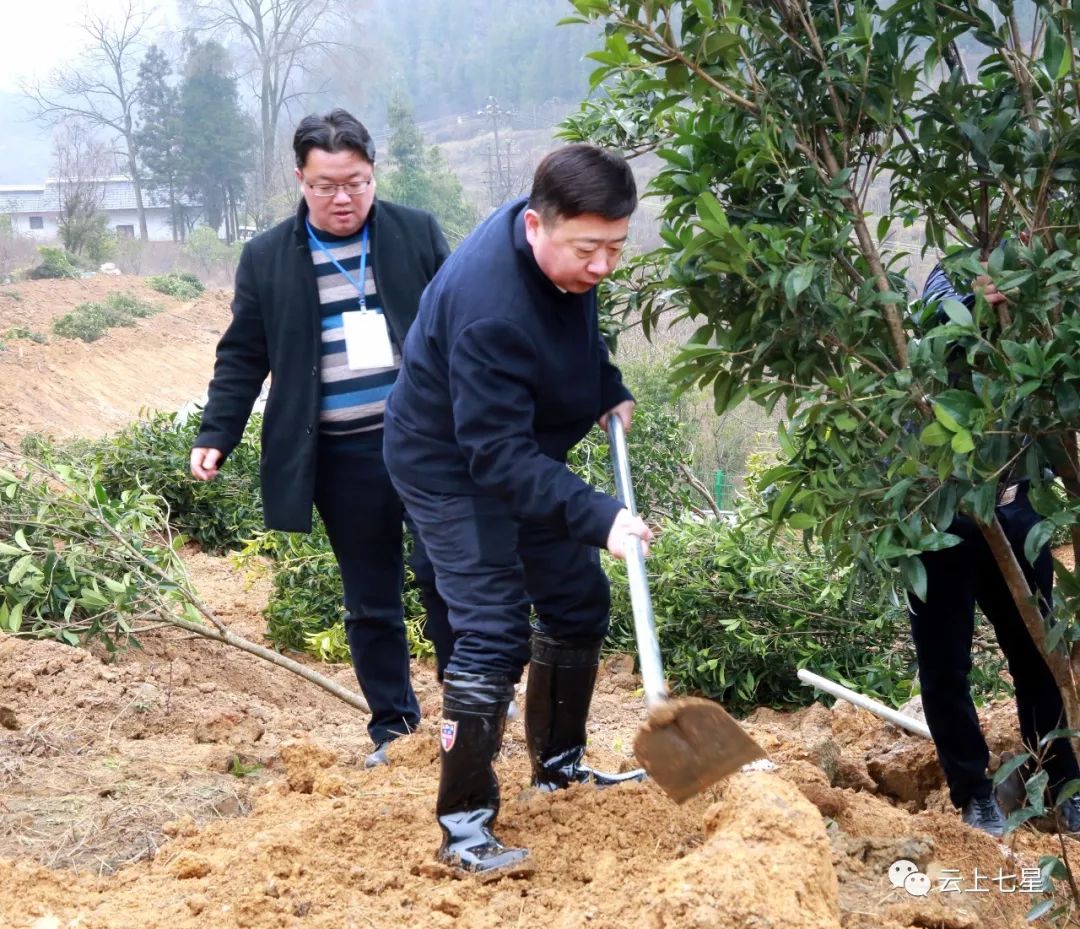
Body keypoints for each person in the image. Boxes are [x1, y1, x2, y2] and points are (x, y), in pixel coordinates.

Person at [383, 144, 654, 874]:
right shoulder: (489, 309)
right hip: (450, 462)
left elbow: (572, 328)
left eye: (615, 248)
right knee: (494, 629)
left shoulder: (562, 246)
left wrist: (605, 382)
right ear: (535, 225)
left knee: (575, 600)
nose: (601, 266)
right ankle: (465, 826)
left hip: (515, 442)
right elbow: (493, 456)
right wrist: (600, 517)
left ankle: (558, 769)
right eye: (588, 249)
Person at [190, 108, 454, 768]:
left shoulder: (415, 234)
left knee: (446, 573)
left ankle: (473, 703)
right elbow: (243, 354)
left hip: (426, 444)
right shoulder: (268, 257)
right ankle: (394, 725)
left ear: (373, 173)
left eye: (356, 182)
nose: (343, 198)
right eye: (326, 185)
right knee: (371, 596)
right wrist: (217, 430)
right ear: (301, 180)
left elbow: (466, 322)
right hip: (342, 455)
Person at [914, 260, 1080, 836]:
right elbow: (932, 330)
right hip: (942, 525)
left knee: (1040, 654)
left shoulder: (1031, 317)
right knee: (945, 668)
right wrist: (976, 308)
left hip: (1016, 512)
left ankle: (1060, 783)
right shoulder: (944, 290)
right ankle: (975, 793)